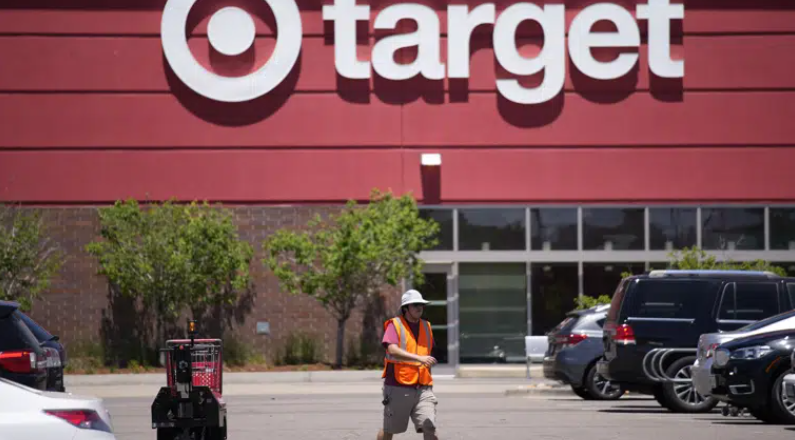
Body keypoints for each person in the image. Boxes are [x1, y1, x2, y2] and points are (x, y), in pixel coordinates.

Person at [377, 289, 438, 440]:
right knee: (389, 430)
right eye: (415, 305)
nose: (419, 308)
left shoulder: (427, 326)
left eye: (421, 305)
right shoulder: (395, 325)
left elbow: (429, 350)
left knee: (430, 427)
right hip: (398, 386)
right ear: (406, 308)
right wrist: (419, 358)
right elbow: (392, 349)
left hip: (423, 387)